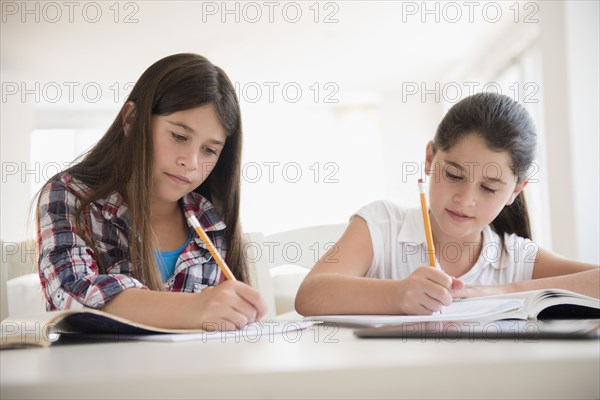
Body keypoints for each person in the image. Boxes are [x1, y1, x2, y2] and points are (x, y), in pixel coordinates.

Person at [295, 92, 600, 316]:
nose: (465, 199)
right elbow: (310, 294)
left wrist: (497, 293)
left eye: (489, 187)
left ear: (515, 191)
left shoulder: (515, 259)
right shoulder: (382, 225)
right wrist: (397, 294)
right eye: (453, 174)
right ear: (430, 158)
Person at [36, 53, 267, 330]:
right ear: (132, 120)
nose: (191, 163)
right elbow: (71, 295)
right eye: (179, 136)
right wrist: (195, 308)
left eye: (209, 150)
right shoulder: (71, 196)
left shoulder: (211, 216)